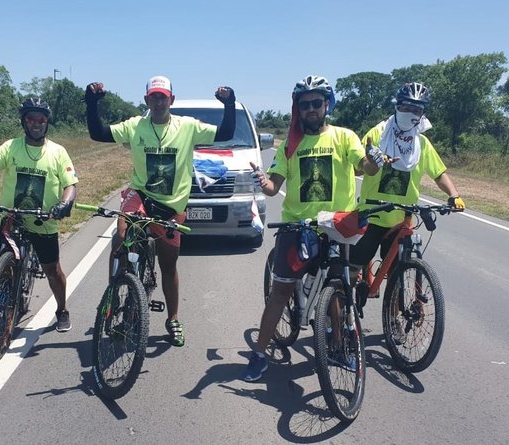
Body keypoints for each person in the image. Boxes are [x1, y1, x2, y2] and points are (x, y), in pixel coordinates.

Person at [242, 75, 382, 381]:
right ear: (298, 109)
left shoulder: (345, 137)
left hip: (335, 227)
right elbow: (272, 186)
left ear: (327, 104)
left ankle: (337, 347)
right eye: (304, 105)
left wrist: (374, 160)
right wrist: (262, 181)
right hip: (297, 227)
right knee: (280, 294)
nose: (311, 109)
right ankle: (260, 353)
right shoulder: (291, 144)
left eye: (317, 103)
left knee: (339, 293)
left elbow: (364, 167)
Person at [85, 75, 236, 347]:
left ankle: (173, 318)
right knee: (121, 237)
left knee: (168, 266)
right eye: (153, 96)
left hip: (171, 207)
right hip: (140, 196)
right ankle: (116, 293)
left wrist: (229, 104)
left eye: (162, 97)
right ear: (146, 100)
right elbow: (98, 134)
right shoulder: (135, 126)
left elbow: (225, 134)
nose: (158, 101)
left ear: (171, 100)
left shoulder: (187, 127)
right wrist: (91, 102)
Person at [349, 82, 465, 343]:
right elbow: (358, 168)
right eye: (405, 107)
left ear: (422, 113)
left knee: (399, 277)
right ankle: (344, 316)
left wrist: (453, 194)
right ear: (396, 107)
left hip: (402, 219)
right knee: (353, 268)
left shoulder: (421, 143)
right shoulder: (378, 133)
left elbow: (439, 173)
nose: (410, 112)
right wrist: (372, 160)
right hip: (373, 214)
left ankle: (392, 321)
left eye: (416, 109)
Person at [0, 97, 78, 332]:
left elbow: (70, 184)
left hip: (43, 220)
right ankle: (3, 296)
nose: (36, 123)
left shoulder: (58, 152)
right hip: (11, 217)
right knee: (1, 264)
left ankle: (62, 309)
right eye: (31, 118)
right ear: (24, 121)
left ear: (47, 122)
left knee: (52, 270)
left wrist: (65, 203)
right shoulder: (11, 147)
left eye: (41, 119)